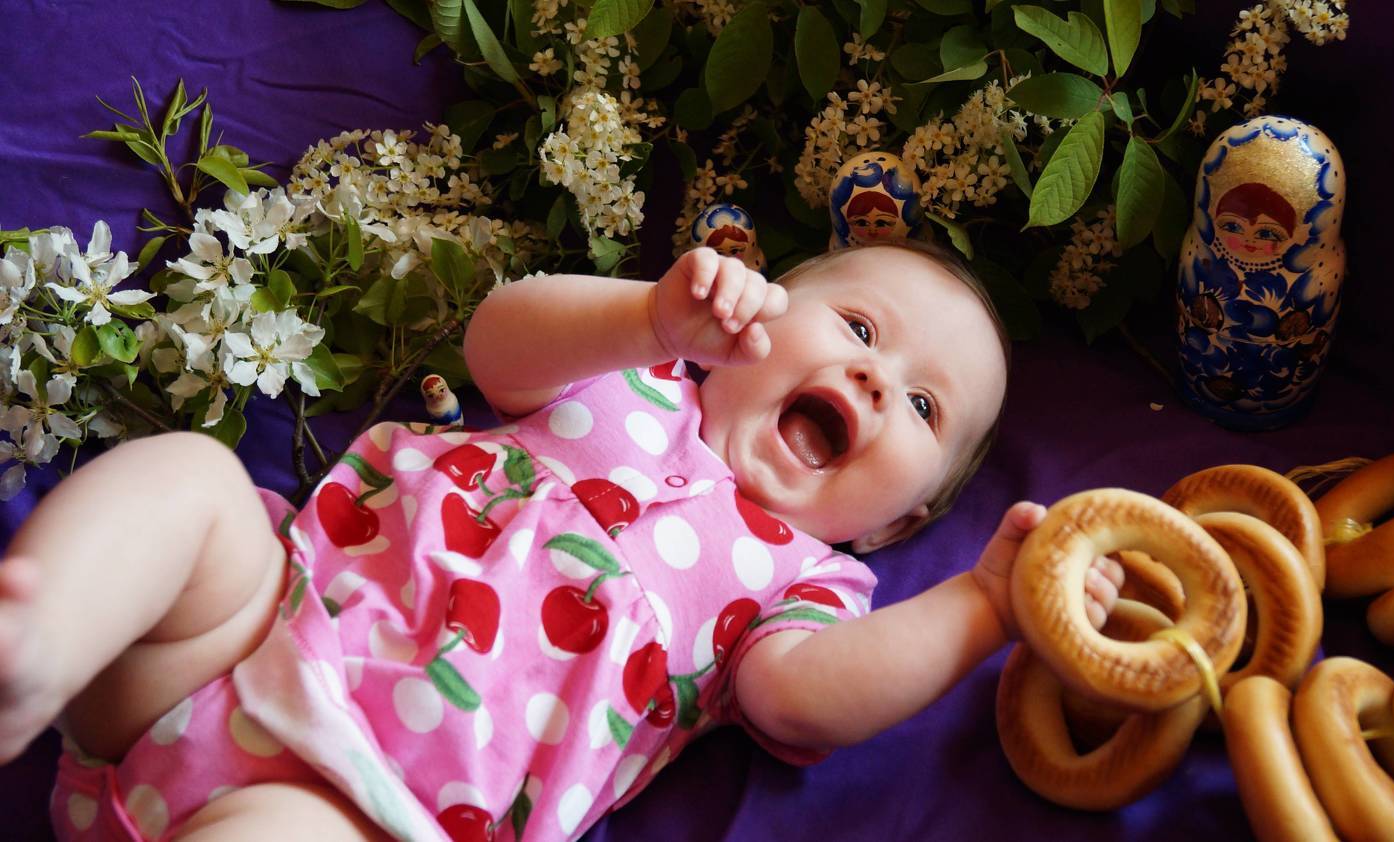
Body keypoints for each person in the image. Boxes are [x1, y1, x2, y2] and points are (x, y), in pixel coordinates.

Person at [0, 240, 1123, 841]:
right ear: (759, 310)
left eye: (923, 406)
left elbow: (803, 701)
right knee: (194, 485)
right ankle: (35, 645)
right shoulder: (639, 372)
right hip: (259, 617)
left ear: (902, 522)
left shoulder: (811, 581)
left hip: (373, 801)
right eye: (861, 326)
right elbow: (498, 347)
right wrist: (649, 315)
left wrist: (984, 603)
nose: (877, 377)